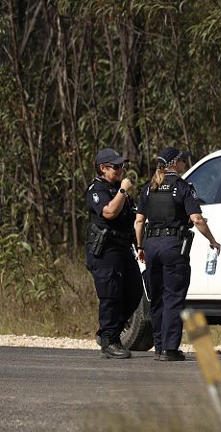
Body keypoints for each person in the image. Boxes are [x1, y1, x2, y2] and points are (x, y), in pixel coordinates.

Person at [134, 147, 221, 361]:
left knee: (157, 297)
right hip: (173, 246)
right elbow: (197, 219)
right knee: (173, 296)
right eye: (182, 160)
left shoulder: (149, 188)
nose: (185, 164)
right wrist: (212, 240)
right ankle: (170, 349)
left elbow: (138, 221)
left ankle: (159, 345)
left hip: (151, 245)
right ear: (174, 163)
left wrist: (140, 247)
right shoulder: (182, 187)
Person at [85, 148, 143, 359]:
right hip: (105, 251)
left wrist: (140, 244)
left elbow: (133, 217)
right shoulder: (96, 189)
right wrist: (122, 192)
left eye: (122, 166)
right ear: (103, 168)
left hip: (123, 248)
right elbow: (109, 212)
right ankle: (110, 340)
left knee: (134, 291)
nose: (121, 170)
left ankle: (109, 333)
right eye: (116, 167)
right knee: (111, 295)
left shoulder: (120, 190)